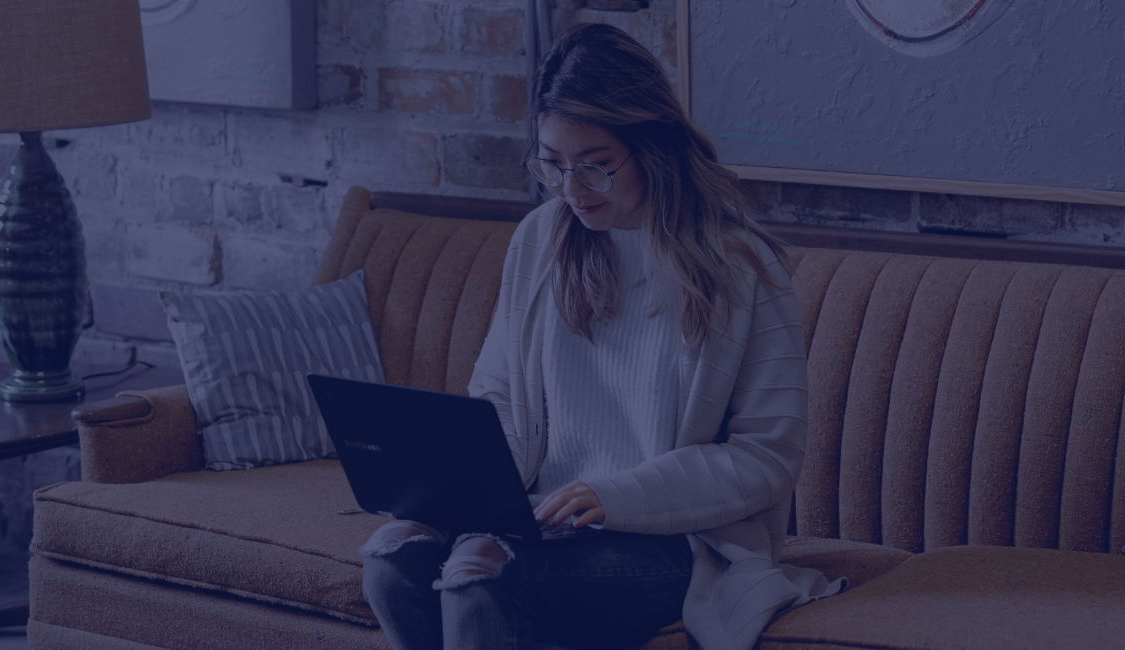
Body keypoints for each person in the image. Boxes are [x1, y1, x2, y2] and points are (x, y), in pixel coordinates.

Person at [356, 23, 841, 650]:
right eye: (552, 165)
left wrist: (613, 497)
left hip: (675, 543)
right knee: (392, 557)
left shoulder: (740, 268)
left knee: (481, 572)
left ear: (653, 146)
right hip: (534, 519)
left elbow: (766, 458)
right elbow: (498, 396)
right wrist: (465, 485)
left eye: (595, 167)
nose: (571, 190)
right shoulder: (540, 238)